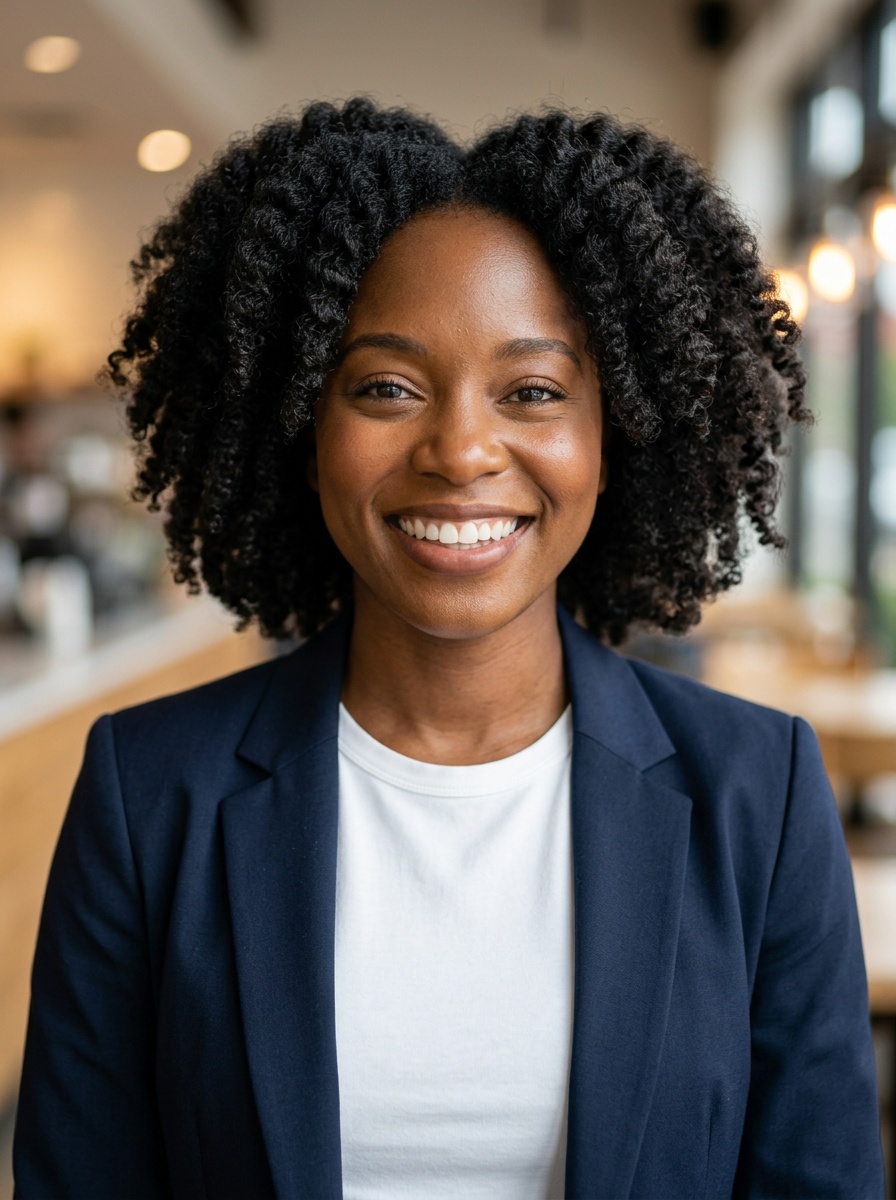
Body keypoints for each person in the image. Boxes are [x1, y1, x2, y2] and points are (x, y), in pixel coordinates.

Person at [13, 98, 884, 1199]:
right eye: (386, 387)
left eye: (532, 392)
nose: (461, 448)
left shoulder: (756, 795)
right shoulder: (150, 794)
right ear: (301, 425)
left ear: (610, 436)